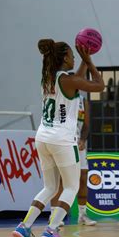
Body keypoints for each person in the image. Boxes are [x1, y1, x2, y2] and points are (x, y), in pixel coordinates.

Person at [12, 39, 104, 237]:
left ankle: (24, 226)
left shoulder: (49, 78)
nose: (74, 58)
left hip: (42, 137)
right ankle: (52, 230)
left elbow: (76, 80)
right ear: (64, 58)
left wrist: (82, 61)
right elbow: (99, 85)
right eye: (72, 55)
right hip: (62, 139)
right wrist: (89, 62)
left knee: (50, 187)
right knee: (70, 186)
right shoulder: (68, 81)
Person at [50, 91, 97, 226]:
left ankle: (82, 214)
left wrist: (82, 139)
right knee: (58, 180)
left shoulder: (82, 100)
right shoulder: (57, 99)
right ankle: (54, 216)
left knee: (82, 178)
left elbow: (86, 124)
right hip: (61, 143)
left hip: (78, 143)